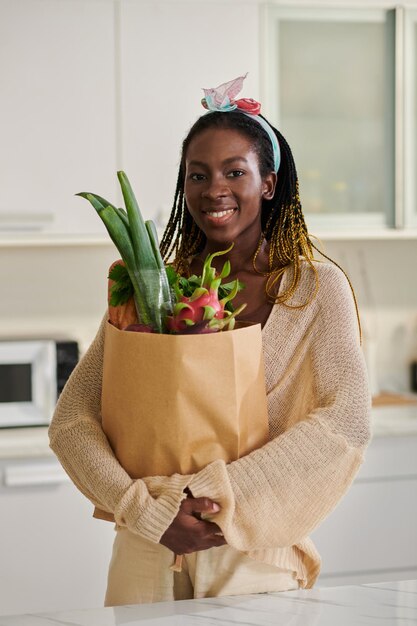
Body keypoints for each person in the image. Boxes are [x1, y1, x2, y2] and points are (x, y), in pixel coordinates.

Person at [48, 75, 371, 605]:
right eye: (197, 174)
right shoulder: (157, 288)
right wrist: (145, 511)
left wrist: (210, 494)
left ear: (267, 182)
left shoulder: (313, 290)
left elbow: (346, 421)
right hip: (146, 546)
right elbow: (72, 421)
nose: (213, 188)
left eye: (234, 171)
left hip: (251, 550)